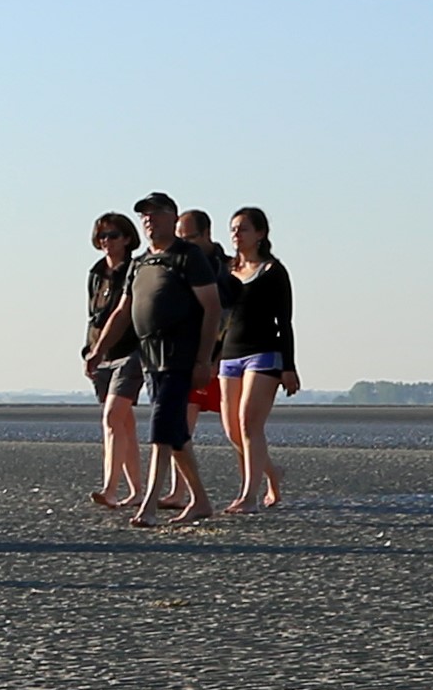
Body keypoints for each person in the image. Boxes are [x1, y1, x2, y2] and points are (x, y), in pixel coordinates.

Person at [84, 191, 216, 527]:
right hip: (150, 358)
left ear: (172, 217)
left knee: (161, 428)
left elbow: (212, 308)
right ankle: (200, 500)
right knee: (175, 433)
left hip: (179, 355)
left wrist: (204, 359)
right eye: (145, 215)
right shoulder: (140, 263)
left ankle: (149, 507)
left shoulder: (187, 257)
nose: (149, 220)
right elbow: (123, 310)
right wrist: (98, 349)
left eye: (156, 213)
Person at [216, 207, 299, 513]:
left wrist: (288, 367)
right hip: (229, 355)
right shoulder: (225, 271)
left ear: (260, 233)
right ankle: (273, 474)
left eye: (243, 229)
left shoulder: (273, 271)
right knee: (232, 431)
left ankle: (248, 496)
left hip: (263, 353)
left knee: (249, 423)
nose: (236, 234)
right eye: (233, 229)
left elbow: (285, 322)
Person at [85, 211, 144, 510]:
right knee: (124, 424)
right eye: (102, 236)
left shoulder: (134, 270)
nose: (107, 241)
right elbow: (93, 316)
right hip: (102, 355)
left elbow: (125, 313)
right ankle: (136, 490)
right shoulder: (97, 273)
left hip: (130, 352)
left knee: (112, 417)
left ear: (127, 239)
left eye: (113, 235)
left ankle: (109, 488)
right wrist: (90, 350)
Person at [177, 208, 232, 443]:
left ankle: (257, 466)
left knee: (237, 430)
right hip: (188, 356)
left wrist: (219, 357)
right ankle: (179, 472)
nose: (185, 244)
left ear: (206, 233)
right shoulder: (178, 266)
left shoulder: (228, 269)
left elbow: (233, 316)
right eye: (181, 239)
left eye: (191, 238)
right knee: (180, 432)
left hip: (223, 356)